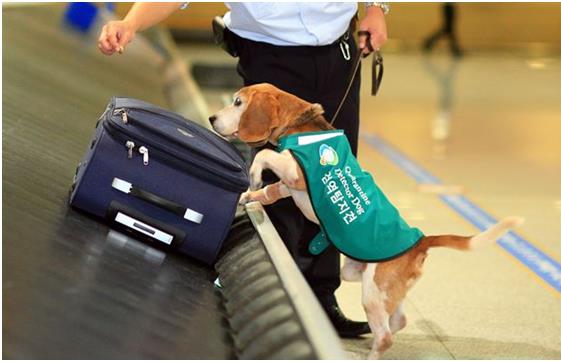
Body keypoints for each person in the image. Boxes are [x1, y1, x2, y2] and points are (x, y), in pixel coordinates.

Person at [98, 2, 389, 338]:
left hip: (338, 52)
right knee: (275, 180)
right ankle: (275, 303)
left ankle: (321, 295)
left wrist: (375, 9)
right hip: (272, 56)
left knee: (333, 174)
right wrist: (131, 22)